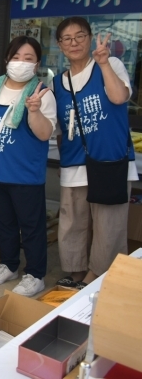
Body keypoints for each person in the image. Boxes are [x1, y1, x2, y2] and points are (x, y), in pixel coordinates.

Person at [0, 37, 56, 296]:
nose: (21, 63)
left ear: (37, 64)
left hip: (25, 173)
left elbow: (44, 133)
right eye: (16, 57)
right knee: (4, 222)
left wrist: (34, 111)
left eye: (28, 58)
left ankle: (35, 274)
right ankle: (9, 264)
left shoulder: (42, 94)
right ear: (7, 59)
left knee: (31, 226)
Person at [52, 17, 137, 289]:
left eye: (80, 36)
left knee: (108, 225)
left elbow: (119, 97)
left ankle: (98, 276)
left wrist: (103, 63)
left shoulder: (110, 65)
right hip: (74, 162)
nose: (74, 42)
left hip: (110, 160)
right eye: (67, 38)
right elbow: (59, 128)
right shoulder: (57, 83)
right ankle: (76, 272)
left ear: (90, 38)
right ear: (60, 45)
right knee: (72, 222)